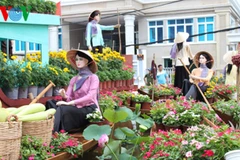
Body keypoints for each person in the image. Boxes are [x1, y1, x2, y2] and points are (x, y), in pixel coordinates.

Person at [46, 49, 100, 133]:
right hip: (76, 107)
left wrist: (70, 103)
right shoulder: (74, 79)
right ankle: (47, 128)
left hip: (89, 109)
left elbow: (90, 97)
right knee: (50, 103)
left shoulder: (93, 78)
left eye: (81, 59)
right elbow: (69, 98)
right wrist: (64, 96)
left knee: (61, 109)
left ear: (88, 61)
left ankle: (52, 132)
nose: (78, 61)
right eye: (77, 59)